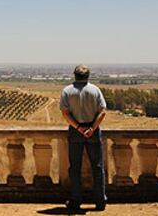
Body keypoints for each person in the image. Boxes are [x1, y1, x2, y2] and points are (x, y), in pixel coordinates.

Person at [59, 64, 107, 211]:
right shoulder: (95, 90)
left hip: (75, 131)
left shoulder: (67, 91)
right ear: (88, 76)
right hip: (93, 131)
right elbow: (103, 111)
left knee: (75, 168)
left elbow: (65, 113)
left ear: (75, 75)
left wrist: (79, 128)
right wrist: (92, 128)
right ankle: (100, 201)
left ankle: (76, 200)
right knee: (97, 167)